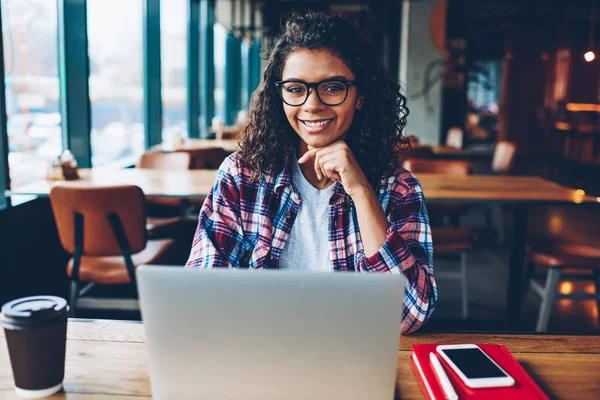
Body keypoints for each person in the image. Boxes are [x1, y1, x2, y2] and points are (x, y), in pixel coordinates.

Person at [186, 11, 437, 334]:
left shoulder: (398, 189)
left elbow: (409, 315)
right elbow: (200, 295)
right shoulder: (242, 176)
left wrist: (361, 191)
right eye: (295, 88)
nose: (312, 104)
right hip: (262, 350)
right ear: (280, 96)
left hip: (353, 354)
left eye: (332, 87)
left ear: (360, 96)